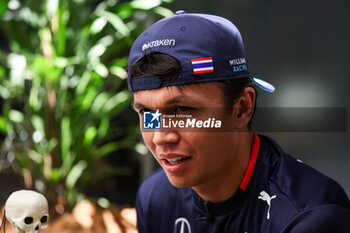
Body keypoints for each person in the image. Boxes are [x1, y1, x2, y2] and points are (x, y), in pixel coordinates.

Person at [126, 10, 350, 233]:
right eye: (146, 112)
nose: (160, 137)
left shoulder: (311, 217)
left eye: (182, 110)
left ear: (242, 108)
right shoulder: (155, 197)